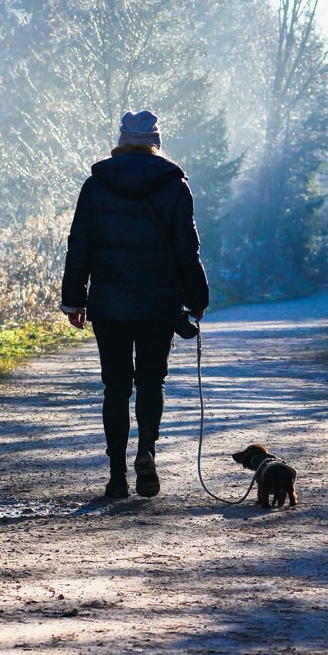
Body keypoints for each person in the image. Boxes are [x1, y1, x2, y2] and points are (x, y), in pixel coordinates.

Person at [60, 110, 209, 500]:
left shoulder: (96, 184)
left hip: (109, 302)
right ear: (155, 142)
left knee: (115, 387)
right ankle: (146, 451)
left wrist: (73, 298)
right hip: (159, 302)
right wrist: (198, 298)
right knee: (150, 381)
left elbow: (80, 244)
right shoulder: (175, 185)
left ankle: (116, 475)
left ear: (122, 140)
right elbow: (186, 249)